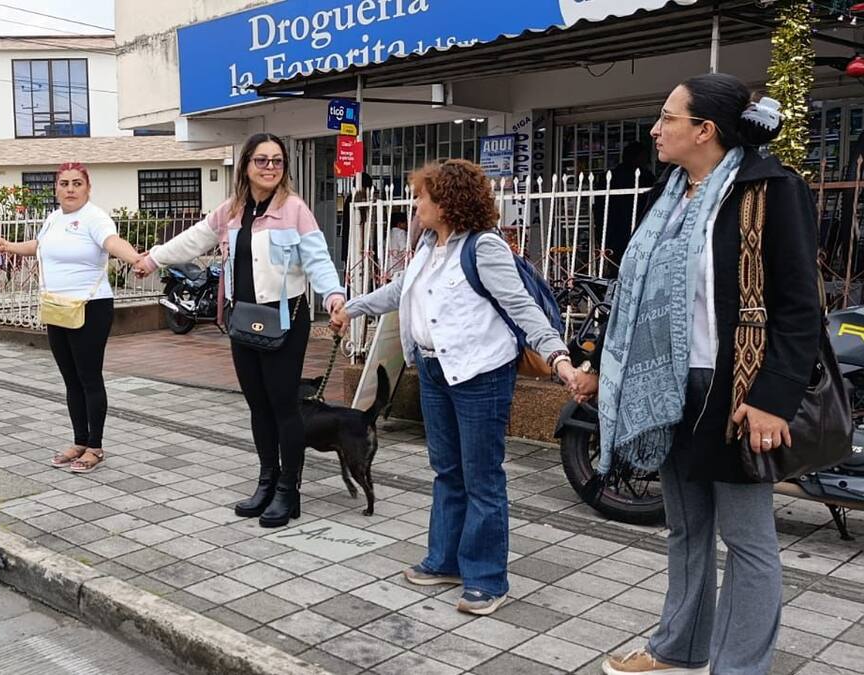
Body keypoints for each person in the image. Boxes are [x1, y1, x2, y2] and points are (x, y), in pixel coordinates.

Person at [568, 75, 817, 675]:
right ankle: (679, 647)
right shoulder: (667, 195)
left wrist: (773, 400)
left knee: (748, 539)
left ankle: (739, 666)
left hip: (738, 393)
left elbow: (799, 305)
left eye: (668, 117)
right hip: (669, 388)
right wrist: (605, 368)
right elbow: (635, 300)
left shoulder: (769, 190)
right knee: (685, 528)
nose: (656, 129)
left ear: (705, 130)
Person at [330, 159, 576, 616]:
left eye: (422, 195)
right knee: (446, 469)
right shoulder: (429, 245)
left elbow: (522, 308)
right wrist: (354, 307)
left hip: (480, 374)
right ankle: (445, 560)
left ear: (447, 201)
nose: (415, 203)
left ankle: (486, 578)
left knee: (482, 475)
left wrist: (558, 356)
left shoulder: (484, 248)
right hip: (432, 370)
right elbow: (400, 291)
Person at [135, 132, 346, 528]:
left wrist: (333, 296)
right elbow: (194, 239)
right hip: (243, 319)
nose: (269, 167)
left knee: (284, 406)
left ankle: (289, 490)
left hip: (284, 319)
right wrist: (154, 258)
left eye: (277, 161)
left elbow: (317, 258)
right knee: (257, 404)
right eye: (261, 160)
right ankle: (266, 481)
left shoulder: (295, 210)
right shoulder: (232, 211)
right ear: (246, 165)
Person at [0, 163, 142, 473]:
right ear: (56, 189)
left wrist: (137, 259)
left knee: (89, 377)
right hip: (57, 306)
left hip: (90, 306)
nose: (70, 189)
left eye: (77, 183)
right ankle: (79, 441)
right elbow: (39, 246)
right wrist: (8, 246)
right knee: (70, 378)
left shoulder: (95, 218)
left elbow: (112, 243)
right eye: (64, 183)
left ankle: (96, 446)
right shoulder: (53, 218)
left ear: (88, 188)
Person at [602, 141, 657, 275]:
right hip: (637, 227)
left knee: (617, 267)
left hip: (613, 230)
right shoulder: (644, 176)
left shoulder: (610, 177)